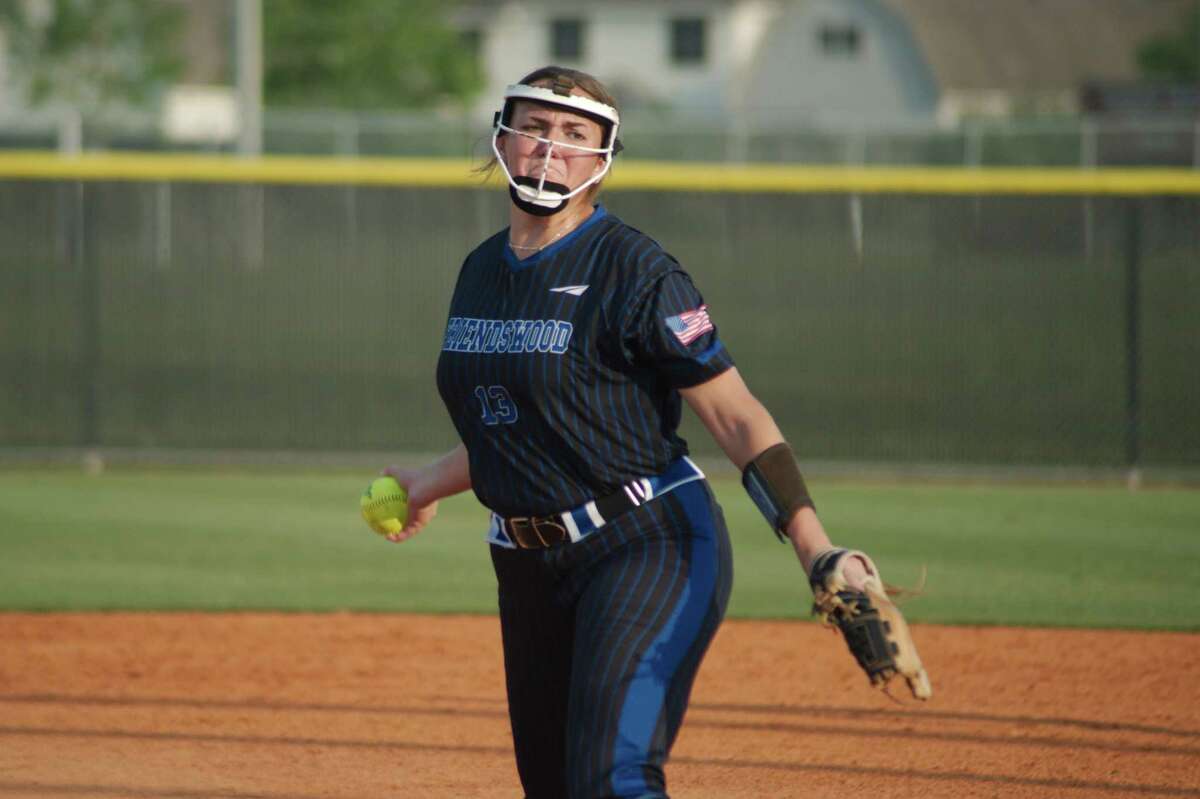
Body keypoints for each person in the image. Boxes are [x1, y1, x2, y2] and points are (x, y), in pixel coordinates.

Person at [381, 65, 874, 799]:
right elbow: (516, 421)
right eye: (535, 128)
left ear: (603, 157)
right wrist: (428, 481)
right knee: (555, 787)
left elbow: (735, 414)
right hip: (525, 564)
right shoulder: (480, 270)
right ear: (503, 138)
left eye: (575, 135)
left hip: (648, 539)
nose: (551, 148)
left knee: (610, 780)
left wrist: (817, 547)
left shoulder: (635, 270)